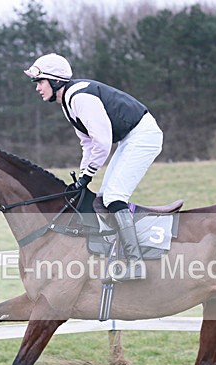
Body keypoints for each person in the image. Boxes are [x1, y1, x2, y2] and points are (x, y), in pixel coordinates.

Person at [24, 53, 163, 281]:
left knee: (114, 197)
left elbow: (102, 142)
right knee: (102, 199)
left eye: (40, 82)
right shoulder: (68, 102)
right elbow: (87, 144)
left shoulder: (79, 98)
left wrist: (87, 176)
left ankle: (136, 263)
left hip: (142, 136)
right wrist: (81, 176)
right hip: (130, 138)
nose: (38, 88)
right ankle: (115, 253)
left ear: (55, 81)